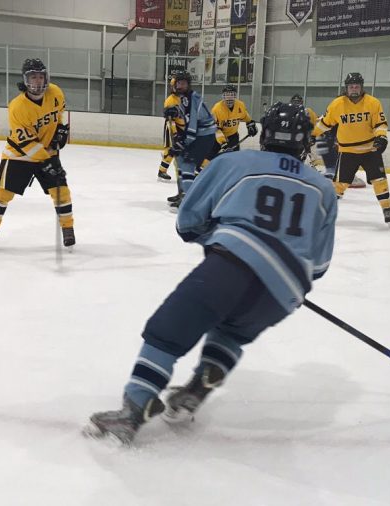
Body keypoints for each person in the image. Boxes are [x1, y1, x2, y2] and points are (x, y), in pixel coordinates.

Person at [85, 102, 338, 445]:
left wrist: (217, 238)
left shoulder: (233, 162)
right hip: (286, 289)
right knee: (231, 333)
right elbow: (319, 266)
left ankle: (135, 408)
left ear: (264, 135)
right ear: (305, 141)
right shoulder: (322, 188)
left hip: (230, 266)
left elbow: (188, 221)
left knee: (168, 330)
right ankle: (195, 391)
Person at [0, 58, 74, 247]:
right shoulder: (17, 107)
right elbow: (26, 143)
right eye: (33, 77)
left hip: (47, 151)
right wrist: (47, 161)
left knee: (61, 192)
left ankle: (68, 229)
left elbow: (60, 114)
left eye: (41, 77)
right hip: (19, 155)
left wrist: (61, 131)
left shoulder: (55, 92)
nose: (38, 81)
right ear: (25, 80)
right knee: (1, 194)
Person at [312, 72, 390, 224]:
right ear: (346, 88)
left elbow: (380, 124)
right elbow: (325, 123)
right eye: (351, 86)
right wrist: (313, 134)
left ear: (362, 87)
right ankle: (325, 211)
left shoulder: (373, 102)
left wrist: (382, 137)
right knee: (339, 185)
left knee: (380, 180)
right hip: (347, 152)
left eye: (357, 86)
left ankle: (387, 208)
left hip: (370, 150)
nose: (354, 89)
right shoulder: (337, 104)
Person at [163, 70, 217, 208]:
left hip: (203, 136)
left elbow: (192, 125)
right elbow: (186, 116)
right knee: (181, 159)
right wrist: (175, 112)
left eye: (184, 84)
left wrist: (183, 142)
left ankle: (189, 200)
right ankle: (184, 195)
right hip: (198, 134)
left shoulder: (192, 98)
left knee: (187, 164)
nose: (181, 86)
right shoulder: (185, 98)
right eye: (179, 83)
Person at [200, 84, 257, 169]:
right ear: (223, 96)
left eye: (232, 94)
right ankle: (201, 171)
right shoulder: (216, 109)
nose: (229, 97)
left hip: (233, 136)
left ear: (235, 95)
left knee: (235, 158)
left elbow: (245, 117)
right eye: (227, 94)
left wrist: (250, 125)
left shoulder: (240, 105)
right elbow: (215, 128)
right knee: (209, 155)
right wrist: (223, 142)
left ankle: (232, 173)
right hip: (217, 136)